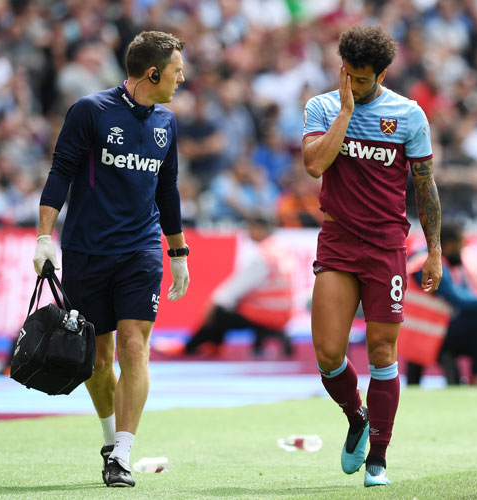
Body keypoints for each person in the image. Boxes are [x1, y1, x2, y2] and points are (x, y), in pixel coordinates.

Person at [32, 31, 190, 488]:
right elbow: (60, 172)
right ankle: (109, 439)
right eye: (177, 71)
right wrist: (45, 238)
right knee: (99, 359)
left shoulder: (167, 123)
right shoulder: (90, 111)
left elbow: (168, 189)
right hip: (85, 251)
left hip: (140, 252)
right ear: (153, 73)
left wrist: (177, 252)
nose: (182, 79)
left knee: (134, 347)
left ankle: (122, 451)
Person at [301, 26, 442, 487]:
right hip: (338, 242)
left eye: (363, 80)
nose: (355, 85)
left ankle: (377, 457)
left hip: (386, 247)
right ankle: (357, 417)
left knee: (382, 350)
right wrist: (346, 110)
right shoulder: (322, 106)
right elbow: (315, 164)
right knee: (328, 354)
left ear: (381, 73)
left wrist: (435, 251)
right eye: (348, 75)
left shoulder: (408, 115)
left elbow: (425, 188)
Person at [158, 212, 295, 358]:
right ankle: (213, 345)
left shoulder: (262, 257)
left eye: (249, 227)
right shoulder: (281, 252)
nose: (247, 231)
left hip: (267, 313)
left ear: (259, 228)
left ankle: (188, 347)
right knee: (226, 308)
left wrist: (213, 304)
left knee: (219, 311)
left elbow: (234, 290)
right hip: (283, 312)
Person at [405, 221, 477, 386]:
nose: (463, 249)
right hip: (427, 333)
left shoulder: (430, 260)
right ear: (449, 245)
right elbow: (458, 300)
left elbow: (462, 297)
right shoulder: (428, 264)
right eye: (462, 243)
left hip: (423, 331)